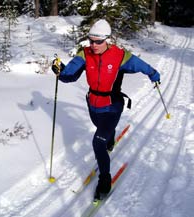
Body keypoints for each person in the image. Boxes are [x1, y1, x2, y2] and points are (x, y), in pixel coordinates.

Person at [52, 19, 160, 200]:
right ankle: (109, 137)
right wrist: (59, 70)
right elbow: (68, 76)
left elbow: (142, 66)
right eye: (91, 40)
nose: (93, 45)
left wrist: (153, 74)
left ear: (107, 40)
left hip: (112, 107)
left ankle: (105, 179)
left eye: (98, 41)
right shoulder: (85, 54)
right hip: (93, 105)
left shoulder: (120, 56)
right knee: (101, 129)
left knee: (98, 142)